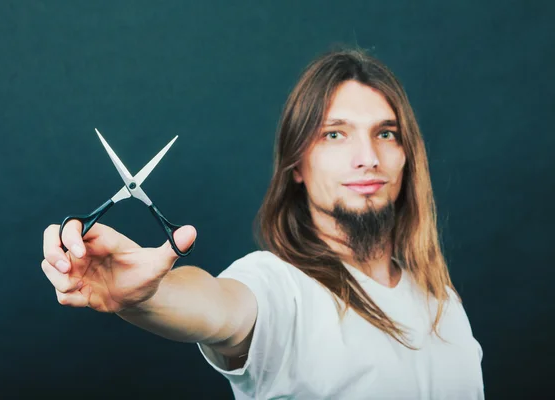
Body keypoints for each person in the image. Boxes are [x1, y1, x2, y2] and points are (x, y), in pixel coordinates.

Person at [41, 48, 484, 399]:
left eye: (385, 133)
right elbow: (221, 308)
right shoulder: (279, 286)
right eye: (335, 134)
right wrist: (144, 296)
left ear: (407, 155)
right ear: (297, 164)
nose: (368, 157)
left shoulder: (442, 303)